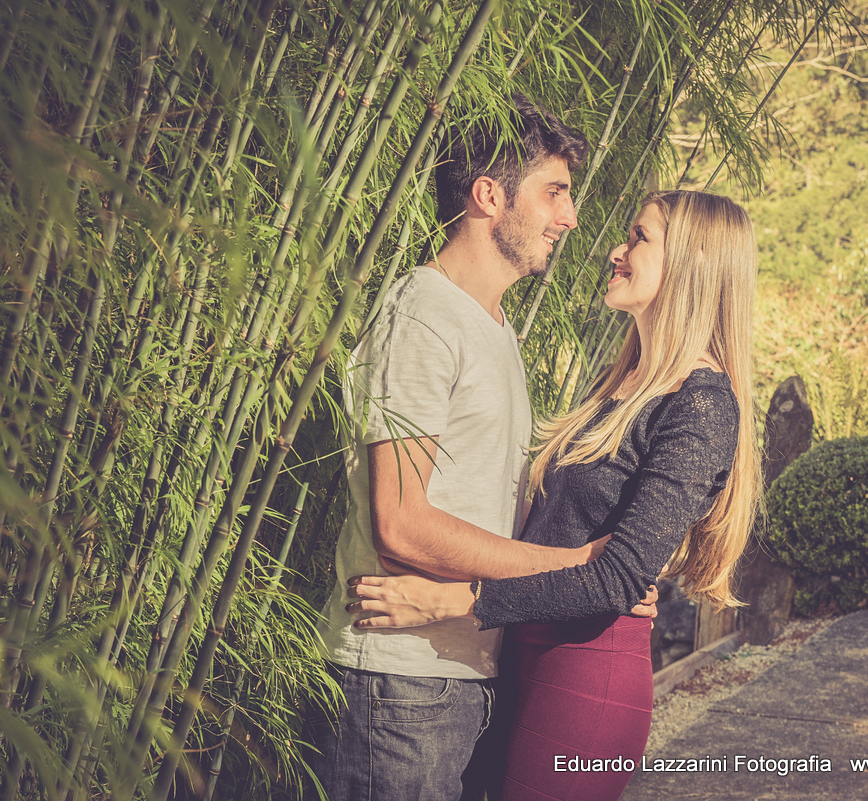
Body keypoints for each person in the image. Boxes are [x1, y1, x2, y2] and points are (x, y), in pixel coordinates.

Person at [348, 190, 763, 801]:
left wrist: (447, 602)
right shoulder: (625, 385)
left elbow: (617, 579)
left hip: (584, 678)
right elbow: (567, 540)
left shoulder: (700, 404)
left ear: (694, 263)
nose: (615, 252)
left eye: (639, 239)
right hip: (521, 660)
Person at [306, 95, 655, 801]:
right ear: (489, 195)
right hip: (396, 683)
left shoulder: (490, 326)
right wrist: (576, 564)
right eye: (555, 192)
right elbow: (401, 522)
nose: (571, 216)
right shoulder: (423, 315)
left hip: (457, 676)